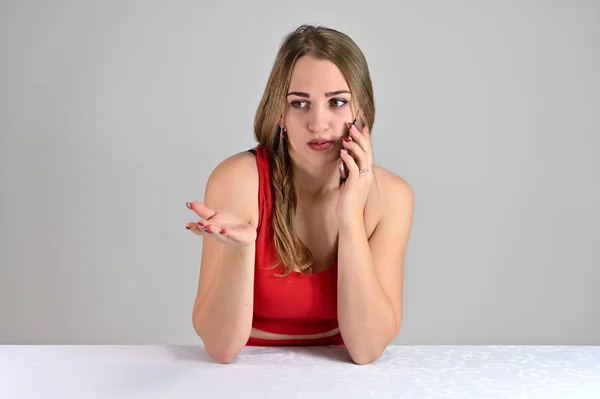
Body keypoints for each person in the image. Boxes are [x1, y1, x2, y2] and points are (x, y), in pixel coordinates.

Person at [185, 24, 414, 365]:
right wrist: (242, 249)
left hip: (340, 376)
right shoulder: (238, 180)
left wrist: (350, 217)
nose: (318, 123)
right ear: (280, 112)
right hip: (246, 371)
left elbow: (366, 349)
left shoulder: (392, 197)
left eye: (337, 102)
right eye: (300, 103)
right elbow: (221, 348)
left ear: (361, 111)